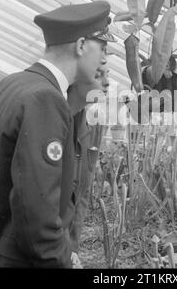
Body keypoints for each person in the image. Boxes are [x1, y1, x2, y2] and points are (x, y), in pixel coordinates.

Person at [0, 0, 116, 268]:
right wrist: (63, 260)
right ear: (81, 45)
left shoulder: (8, 85)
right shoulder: (46, 98)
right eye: (102, 48)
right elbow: (37, 212)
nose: (104, 59)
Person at [66, 65, 110, 269]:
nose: (107, 82)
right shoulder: (63, 113)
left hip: (81, 187)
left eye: (107, 75)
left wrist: (73, 248)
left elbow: (83, 191)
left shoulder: (98, 116)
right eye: (99, 75)